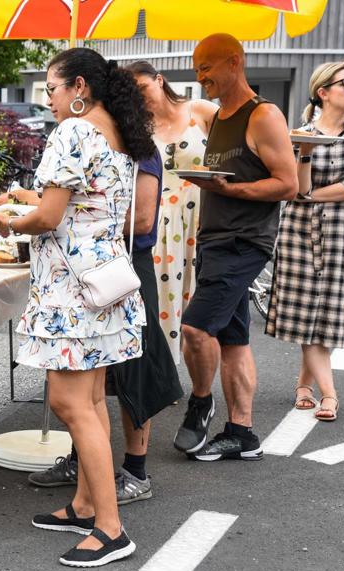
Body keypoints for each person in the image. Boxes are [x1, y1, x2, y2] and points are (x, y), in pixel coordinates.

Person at [0, 48, 154, 567]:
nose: (49, 101)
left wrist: (11, 220)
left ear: (79, 86)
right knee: (92, 398)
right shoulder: (120, 133)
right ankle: (86, 505)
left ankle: (110, 528)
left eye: (53, 90)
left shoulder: (74, 132)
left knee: (71, 404)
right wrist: (28, 198)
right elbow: (84, 205)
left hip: (71, 288)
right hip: (106, 280)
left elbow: (49, 218)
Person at [174, 34, 298, 461]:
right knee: (234, 340)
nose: (200, 76)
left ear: (235, 61)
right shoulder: (221, 115)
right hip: (216, 239)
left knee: (195, 328)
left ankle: (201, 403)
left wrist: (232, 189)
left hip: (243, 242)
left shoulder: (262, 114)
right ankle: (242, 434)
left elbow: (288, 183)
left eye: (206, 67)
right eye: (197, 69)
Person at [266, 62, 344, 422]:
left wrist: (312, 195)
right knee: (305, 313)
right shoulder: (298, 135)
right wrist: (305, 154)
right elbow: (296, 187)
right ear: (323, 92)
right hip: (298, 232)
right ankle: (329, 394)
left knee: (328, 314)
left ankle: (304, 385)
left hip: (342, 233)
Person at [127, 60, 219, 363]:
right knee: (164, 298)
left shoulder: (200, 110)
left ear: (160, 79)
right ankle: (166, 372)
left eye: (143, 87)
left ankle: (201, 368)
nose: (140, 97)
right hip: (162, 220)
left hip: (205, 213)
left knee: (203, 297)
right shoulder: (139, 130)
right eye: (133, 93)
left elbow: (235, 147)